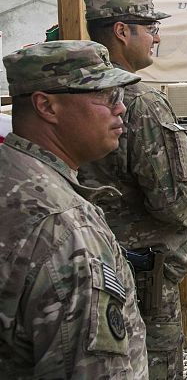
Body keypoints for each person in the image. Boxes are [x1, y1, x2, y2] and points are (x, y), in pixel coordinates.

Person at [78, 0, 187, 380]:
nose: (157, 36)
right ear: (121, 30)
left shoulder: (73, 93)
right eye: (150, 26)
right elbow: (178, 204)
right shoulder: (140, 102)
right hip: (142, 275)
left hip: (92, 261)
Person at [0, 41, 148, 378]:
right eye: (107, 96)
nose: (121, 108)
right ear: (47, 107)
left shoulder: (12, 172)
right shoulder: (65, 228)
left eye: (120, 96)